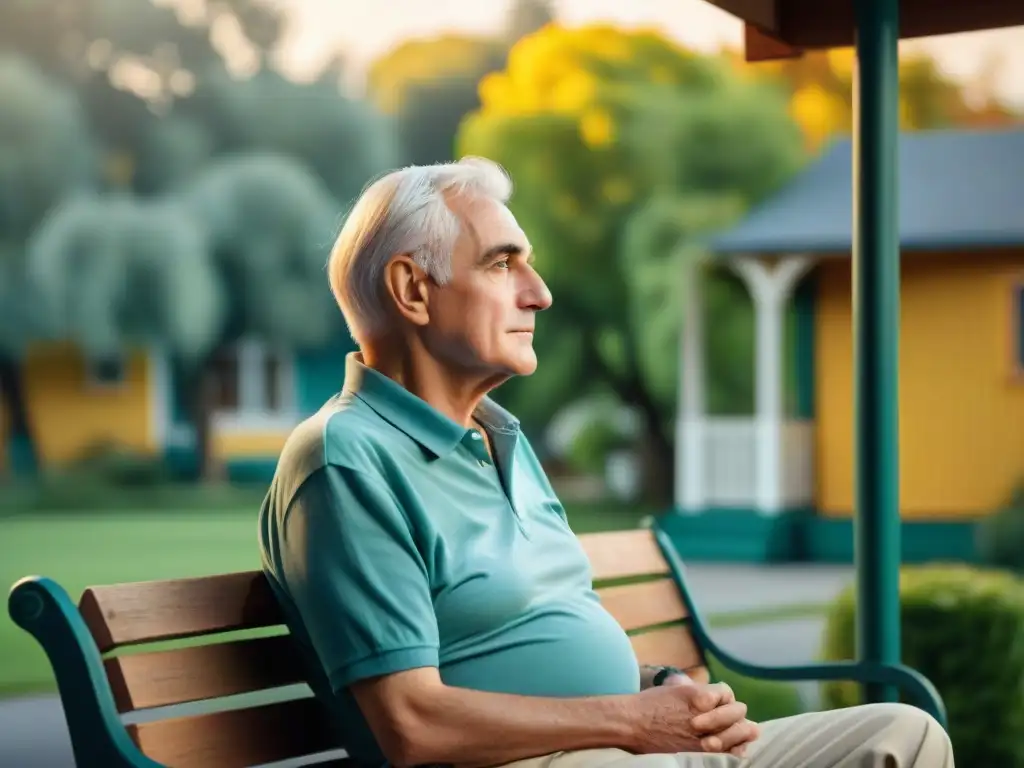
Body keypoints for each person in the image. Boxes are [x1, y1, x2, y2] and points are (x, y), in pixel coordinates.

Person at [258, 157, 953, 768]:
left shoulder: (500, 440)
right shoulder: (347, 460)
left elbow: (541, 629)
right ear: (413, 290)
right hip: (531, 762)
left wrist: (657, 686)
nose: (539, 293)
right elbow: (410, 723)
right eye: (502, 263)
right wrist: (632, 723)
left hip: (619, 744)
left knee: (902, 737)